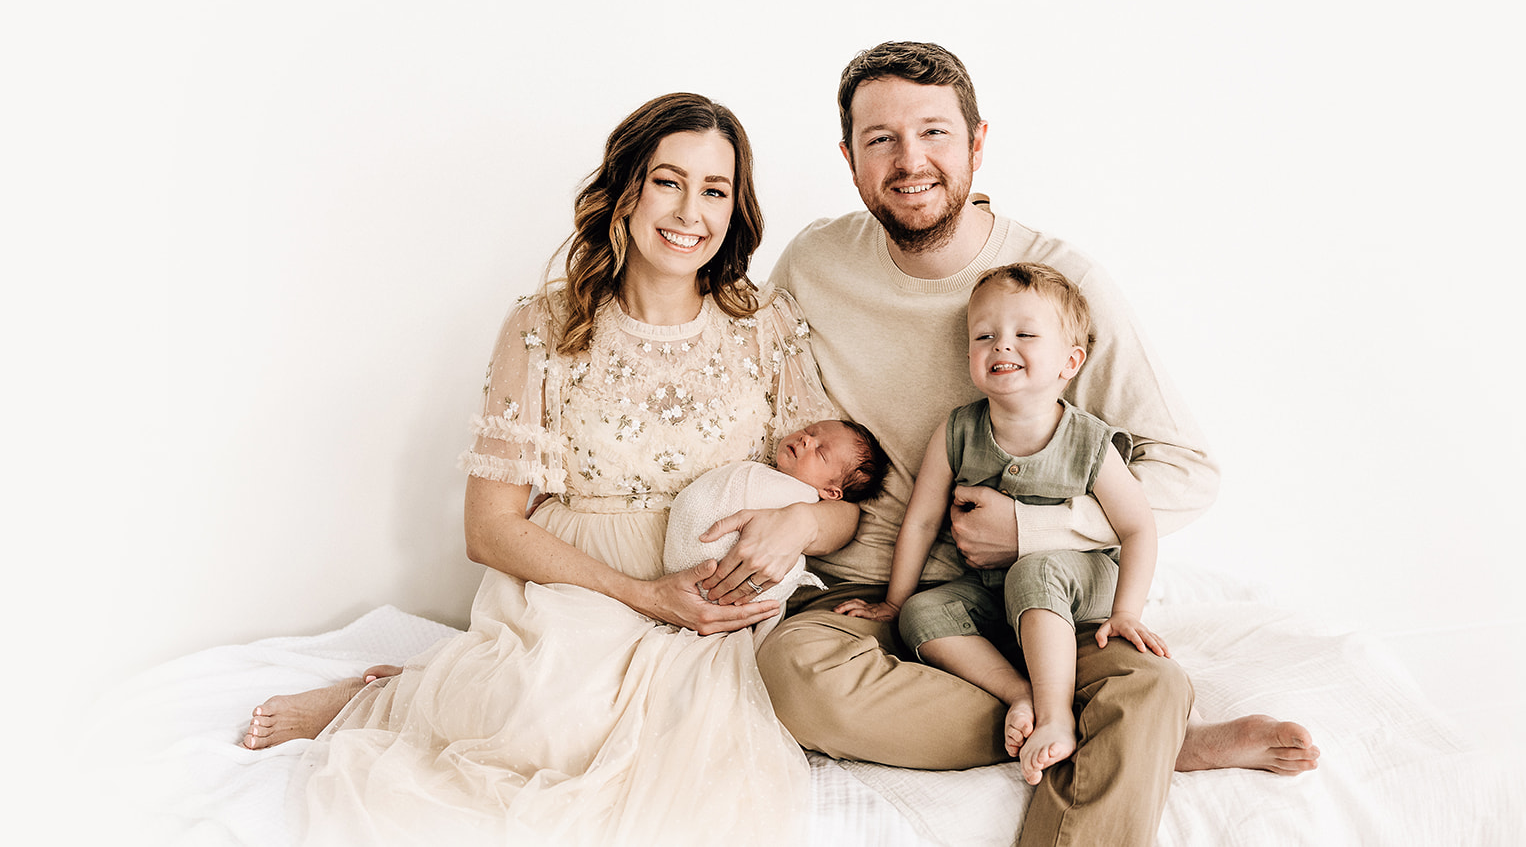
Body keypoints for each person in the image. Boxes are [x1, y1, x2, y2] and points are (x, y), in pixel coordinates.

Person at [240, 92, 856, 847]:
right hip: (583, 585)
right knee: (545, 719)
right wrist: (641, 593)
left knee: (703, 763)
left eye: (715, 189)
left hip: (709, 592)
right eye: (668, 180)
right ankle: (383, 698)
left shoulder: (766, 324)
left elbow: (840, 495)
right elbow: (489, 526)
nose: (690, 209)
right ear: (625, 190)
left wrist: (799, 519)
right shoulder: (545, 325)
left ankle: (417, 685)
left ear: (736, 208)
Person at [758, 42, 1320, 847]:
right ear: (849, 159)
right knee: (792, 677)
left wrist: (1035, 532)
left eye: (934, 133)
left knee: (1151, 685)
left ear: (977, 142)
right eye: (880, 138)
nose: (910, 160)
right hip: (885, 600)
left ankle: (1124, 720)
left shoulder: (1057, 284)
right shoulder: (814, 264)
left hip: (1045, 601)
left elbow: (1187, 472)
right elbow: (762, 414)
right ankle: (1128, 738)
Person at [836, 262, 1168, 787]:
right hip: (993, 592)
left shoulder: (1088, 441)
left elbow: (1139, 528)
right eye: (984, 335)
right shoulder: (958, 429)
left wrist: (1127, 612)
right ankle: (1020, 693)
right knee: (923, 614)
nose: (1001, 346)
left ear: (1070, 361)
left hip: (1077, 587)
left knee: (1033, 572)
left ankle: (1057, 716)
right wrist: (895, 601)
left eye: (1025, 334)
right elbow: (920, 522)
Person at [664, 419, 888, 646]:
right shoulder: (763, 474)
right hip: (682, 570)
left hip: (724, 588)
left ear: (831, 492)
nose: (806, 439)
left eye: (821, 452)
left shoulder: (804, 499)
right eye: (809, 431)